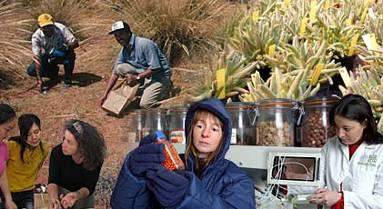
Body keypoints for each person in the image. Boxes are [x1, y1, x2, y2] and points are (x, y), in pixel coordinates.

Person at [111, 97, 255, 209]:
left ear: (224, 137)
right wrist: (133, 176)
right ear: (190, 130)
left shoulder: (238, 180)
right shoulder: (166, 165)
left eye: (214, 129)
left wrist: (188, 197)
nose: (205, 133)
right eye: (199, 126)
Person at [307, 94, 383, 209]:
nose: (340, 134)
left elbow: (380, 201)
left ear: (364, 124)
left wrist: (341, 199)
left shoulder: (380, 151)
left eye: (346, 129)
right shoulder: (330, 145)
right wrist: (287, 185)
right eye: (336, 127)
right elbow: (316, 182)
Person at [99, 20, 172, 109]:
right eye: (116, 36)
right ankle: (143, 87)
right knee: (120, 68)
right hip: (145, 76)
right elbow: (115, 73)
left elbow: (155, 68)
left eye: (121, 34)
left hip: (159, 77)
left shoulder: (144, 44)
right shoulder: (124, 50)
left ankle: (165, 89)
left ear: (128, 33)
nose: (118, 38)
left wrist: (137, 78)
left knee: (145, 104)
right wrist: (106, 94)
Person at [48, 119, 107, 209]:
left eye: (69, 142)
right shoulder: (57, 152)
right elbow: (53, 180)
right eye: (64, 139)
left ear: (82, 147)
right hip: (61, 193)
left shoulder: (95, 158)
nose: (63, 144)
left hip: (83, 196)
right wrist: (54, 198)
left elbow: (89, 186)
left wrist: (76, 196)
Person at [5, 114, 49, 209]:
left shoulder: (45, 149)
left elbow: (37, 168)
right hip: (8, 192)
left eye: (36, 132)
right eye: (28, 134)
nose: (34, 137)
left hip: (27, 192)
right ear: (22, 134)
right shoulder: (11, 146)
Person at [27, 13, 79, 90]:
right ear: (40, 27)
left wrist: (67, 47)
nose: (48, 29)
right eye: (45, 27)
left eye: (50, 26)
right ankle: (53, 73)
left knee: (70, 54)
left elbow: (75, 43)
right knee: (31, 70)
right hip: (46, 56)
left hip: (61, 52)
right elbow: (37, 58)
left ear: (53, 24)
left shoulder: (61, 28)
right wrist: (39, 79)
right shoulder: (36, 37)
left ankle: (68, 79)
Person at [0, 104, 17, 209]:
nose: (7, 135)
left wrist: (8, 199)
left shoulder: (3, 146)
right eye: (7, 129)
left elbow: (2, 174)